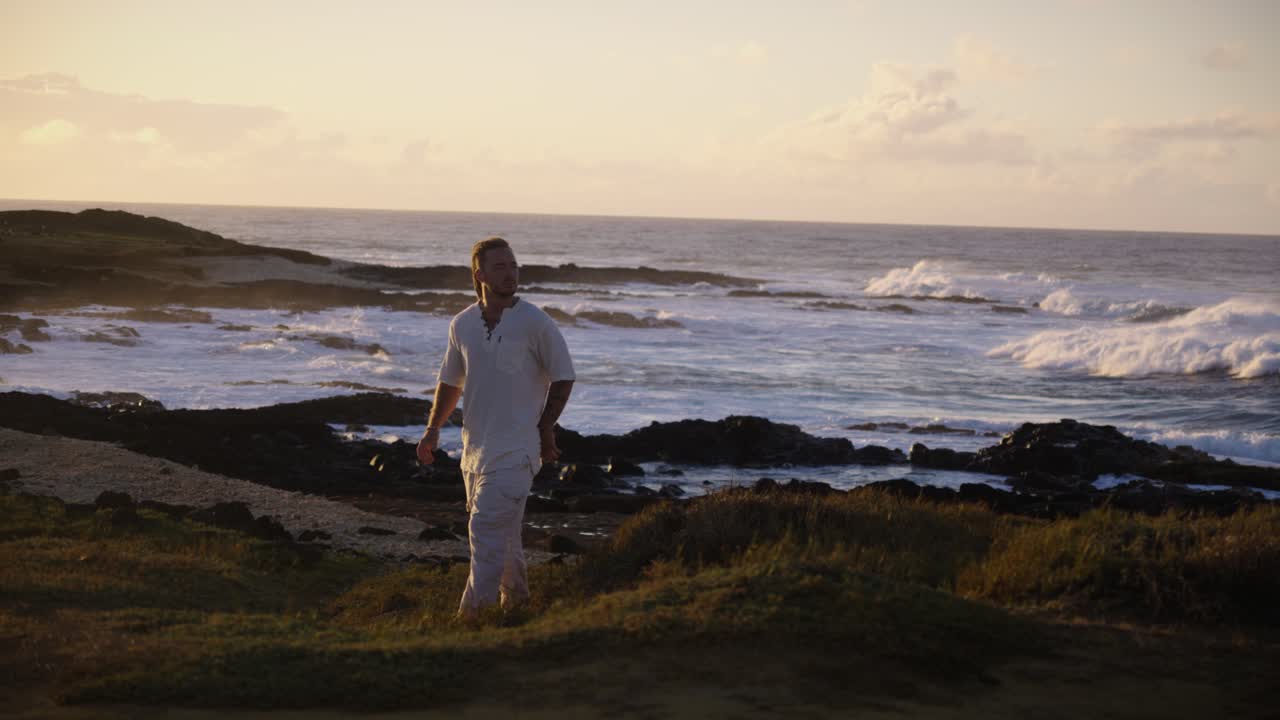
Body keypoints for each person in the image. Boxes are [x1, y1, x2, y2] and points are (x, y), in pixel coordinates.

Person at [416, 237, 575, 617]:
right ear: (480, 274)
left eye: (514, 266)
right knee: (503, 544)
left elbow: (564, 376)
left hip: (517, 451)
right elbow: (451, 383)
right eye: (500, 267)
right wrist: (432, 430)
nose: (510, 273)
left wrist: (546, 426)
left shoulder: (535, 321)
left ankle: (472, 622)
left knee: (484, 535)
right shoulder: (463, 324)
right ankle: (517, 609)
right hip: (474, 453)